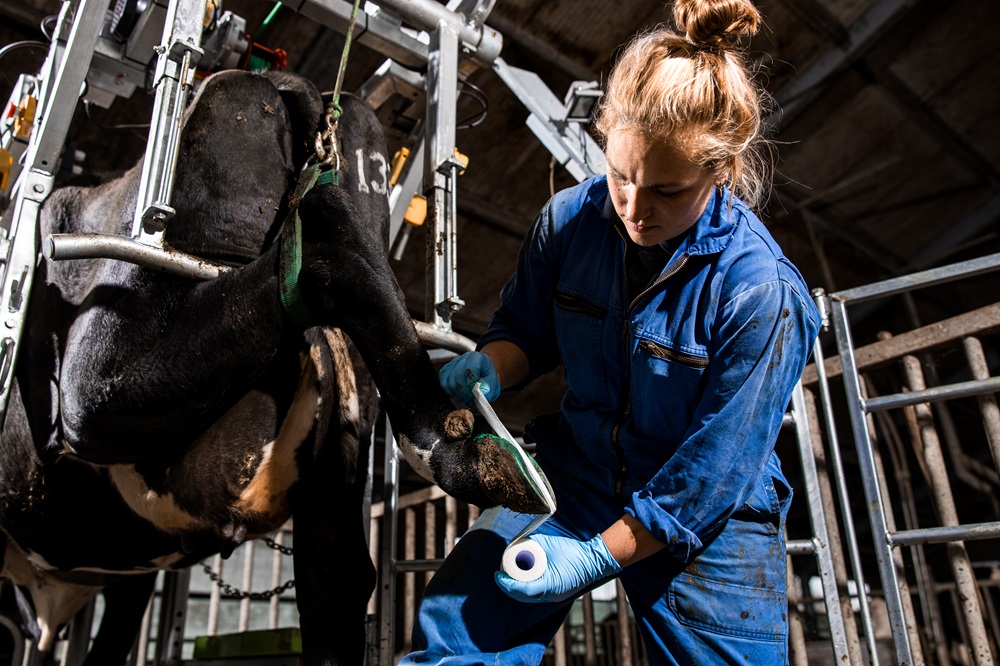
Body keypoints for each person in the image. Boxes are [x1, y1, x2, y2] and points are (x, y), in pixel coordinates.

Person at [400, 0, 821, 663]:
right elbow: (525, 330)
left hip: (706, 517)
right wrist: (493, 365)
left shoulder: (761, 293)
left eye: (667, 191)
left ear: (721, 169)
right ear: (605, 135)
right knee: (456, 628)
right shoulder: (568, 221)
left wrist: (596, 556)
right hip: (579, 470)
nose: (634, 207)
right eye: (621, 176)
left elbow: (706, 479)